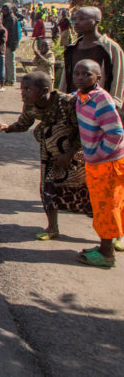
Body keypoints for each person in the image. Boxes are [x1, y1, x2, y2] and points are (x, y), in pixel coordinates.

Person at [0, 71, 91, 242]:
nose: (23, 93)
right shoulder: (30, 106)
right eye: (22, 89)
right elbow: (23, 124)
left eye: (28, 89)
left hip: (77, 154)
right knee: (48, 188)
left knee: (90, 192)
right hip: (50, 154)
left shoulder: (67, 103)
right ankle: (52, 228)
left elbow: (83, 130)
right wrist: (5, 127)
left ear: (44, 91)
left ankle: (113, 233)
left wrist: (70, 153)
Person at [72, 59, 124, 268]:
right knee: (104, 205)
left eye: (86, 74)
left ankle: (107, 253)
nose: (80, 77)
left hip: (107, 163)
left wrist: (98, 154)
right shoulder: (81, 97)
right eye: (76, 73)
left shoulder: (101, 99)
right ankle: (106, 245)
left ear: (98, 78)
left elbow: (116, 132)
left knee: (106, 208)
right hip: (97, 162)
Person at [58, 7, 124, 109]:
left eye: (82, 19)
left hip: (98, 108)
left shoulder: (110, 49)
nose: (76, 22)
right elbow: (66, 78)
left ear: (96, 21)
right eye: (75, 19)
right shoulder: (73, 48)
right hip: (74, 106)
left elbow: (118, 79)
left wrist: (114, 103)